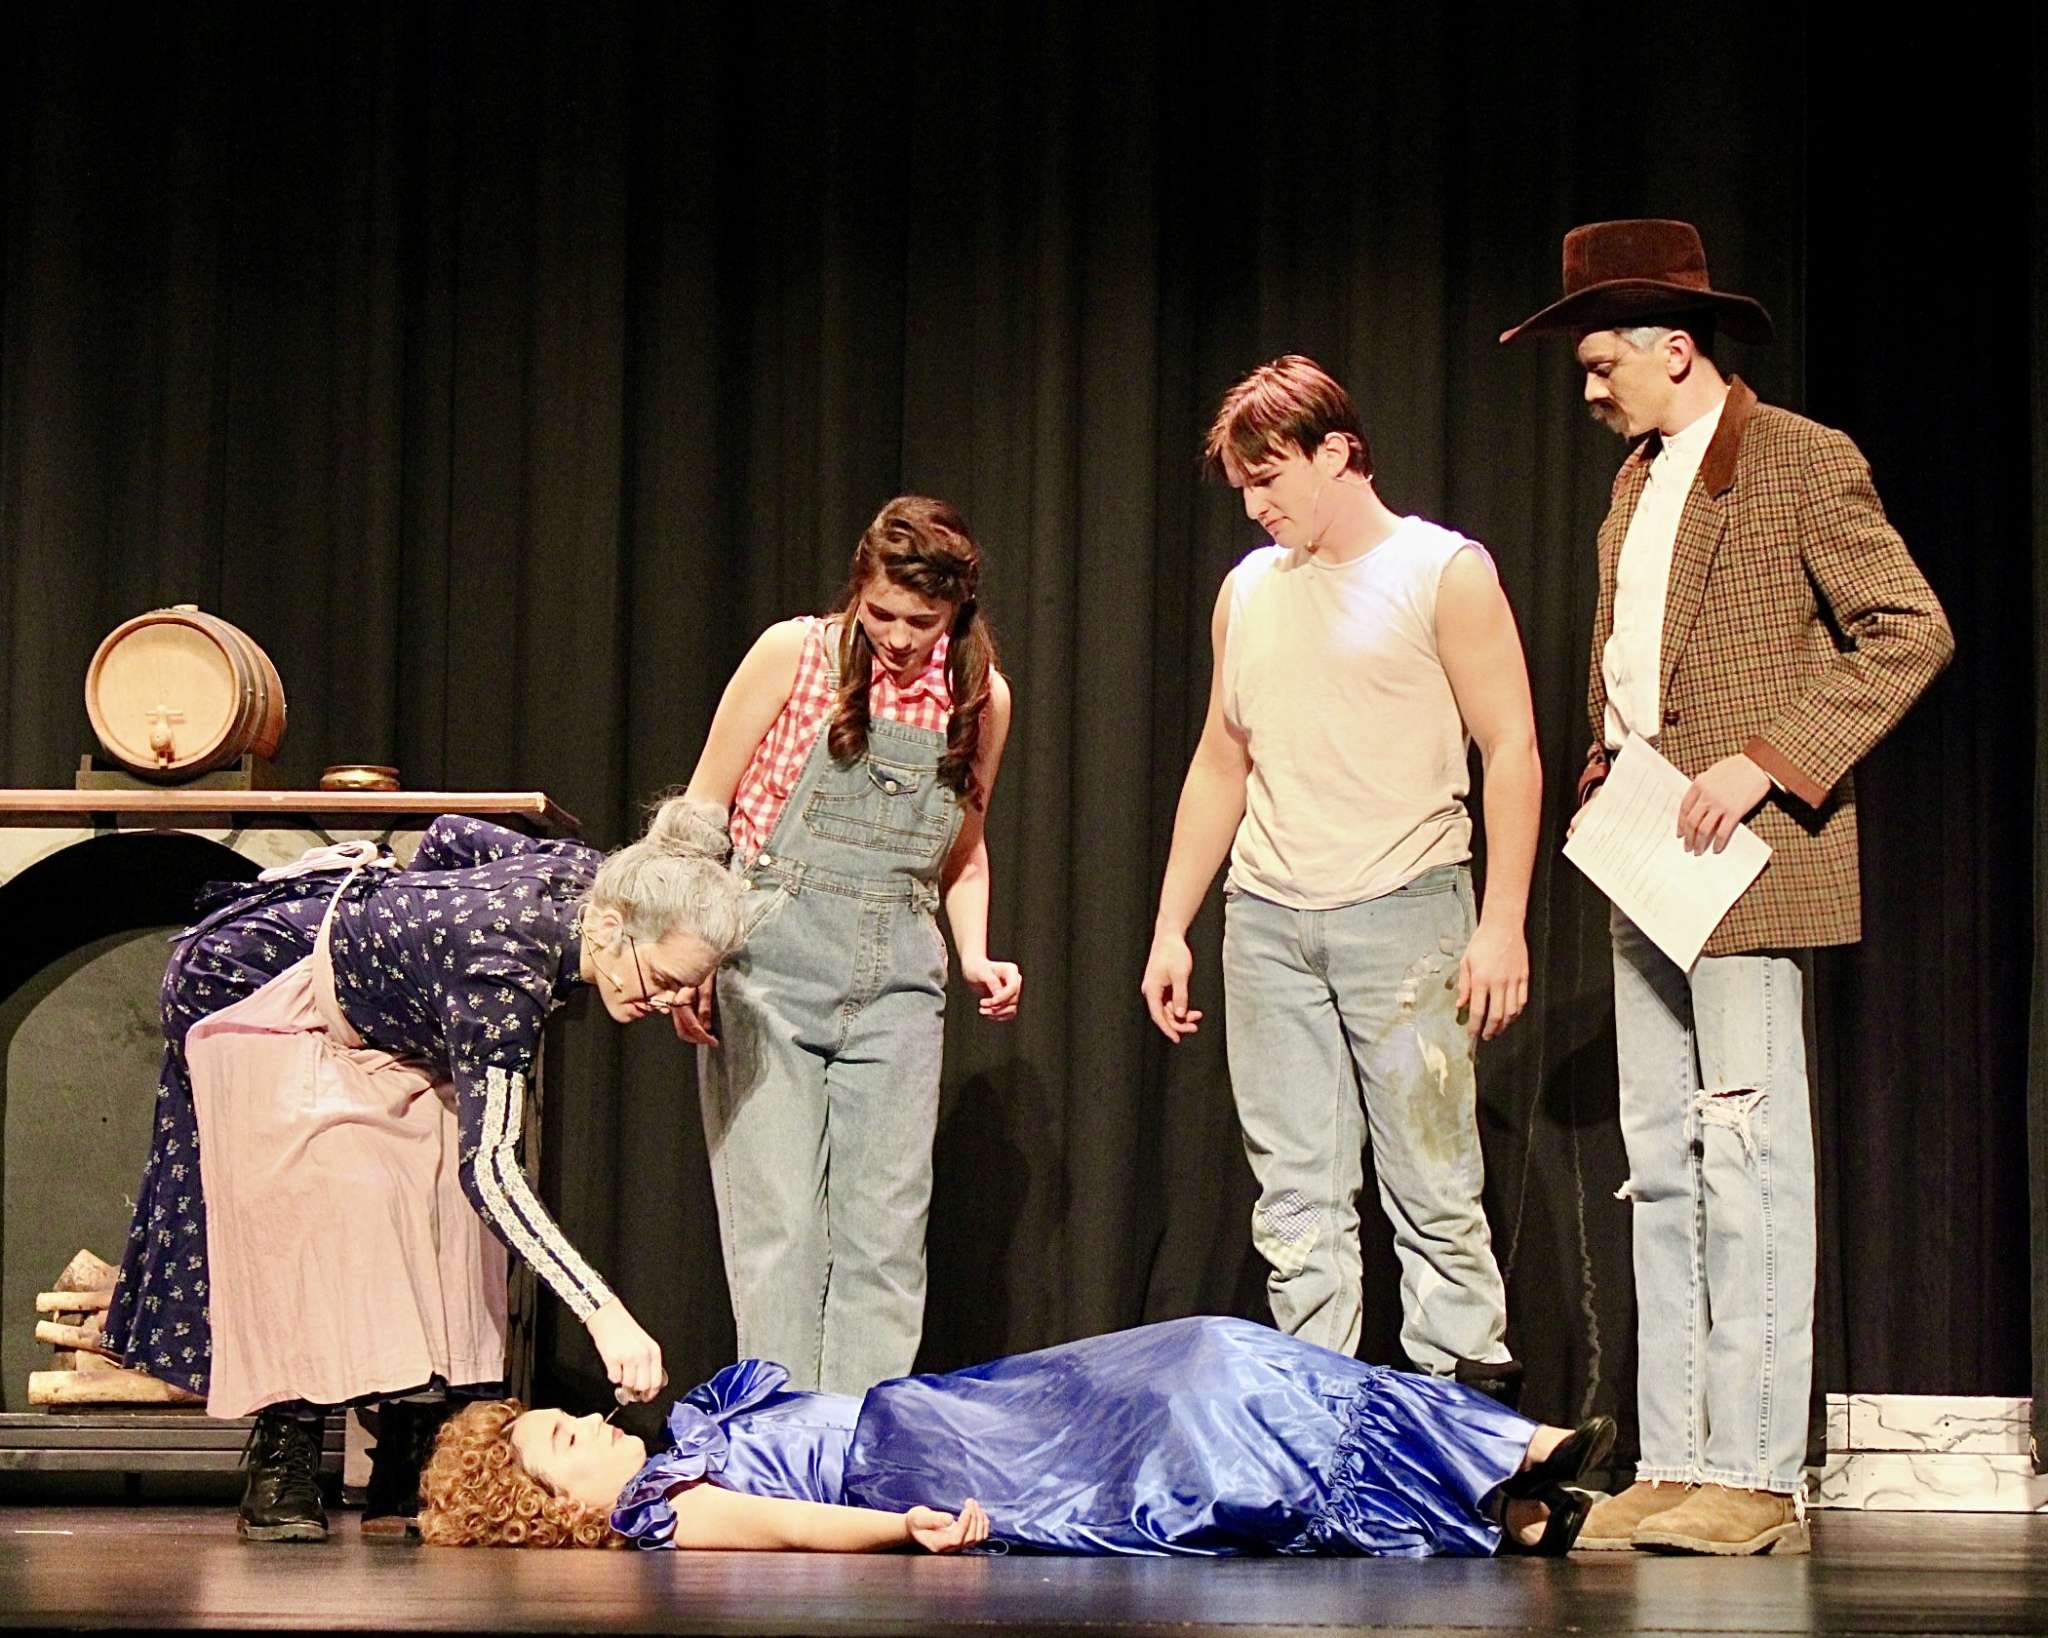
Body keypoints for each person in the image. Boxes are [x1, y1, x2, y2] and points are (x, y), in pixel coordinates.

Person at [1499, 219, 1953, 1555]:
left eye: (1598, 363)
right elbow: (1649, 657)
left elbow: (1907, 630)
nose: (1587, 390)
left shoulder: (1803, 461)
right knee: (1663, 1158)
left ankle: (1758, 1472)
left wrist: (1767, 761)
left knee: (1752, 1152)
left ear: (1673, 347)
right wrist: (1609, 751)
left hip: (1750, 861)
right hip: (1649, 850)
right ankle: (1680, 1449)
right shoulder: (1639, 481)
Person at [103, 804, 746, 1543]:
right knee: (321, 1194)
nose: (667, 1001)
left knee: (442, 1191)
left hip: (360, 1009)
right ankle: (285, 1455)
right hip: (252, 978)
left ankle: (408, 1448)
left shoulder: (597, 879)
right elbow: (496, 1172)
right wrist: (606, 1315)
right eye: (664, 979)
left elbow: (447, 835)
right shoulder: (501, 975)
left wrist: (407, 948)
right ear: (609, 928)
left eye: (684, 987)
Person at [1139, 356, 1540, 1404]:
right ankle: (1317, 1416)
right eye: (1241, 486)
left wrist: (1501, 924)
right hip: (1267, 921)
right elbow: (1222, 759)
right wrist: (1171, 923)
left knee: (1431, 1181)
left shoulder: (1440, 572)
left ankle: (1467, 1421)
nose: (1256, 503)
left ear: (1337, 453)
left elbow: (1510, 749)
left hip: (1404, 909)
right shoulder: (1247, 592)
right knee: (1295, 1198)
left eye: (1270, 477)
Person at [675, 495, 1020, 1395]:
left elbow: (965, 854)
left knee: (885, 1233)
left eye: (923, 620)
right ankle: (783, 1441)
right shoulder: (795, 654)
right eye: (882, 615)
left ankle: (856, 1446)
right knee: (780, 1224)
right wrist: (689, 949)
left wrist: (976, 953)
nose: (900, 638)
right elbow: (705, 812)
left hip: (901, 975)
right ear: (856, 592)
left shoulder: (982, 697)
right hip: (769, 960)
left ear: (957, 610)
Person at [418, 1316, 1615, 1556]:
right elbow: (784, 1523)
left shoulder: (685, 1436)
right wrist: (906, 1532)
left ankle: (1509, 1474)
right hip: (948, 1460)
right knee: (1204, 1398)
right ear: (560, 1513)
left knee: (1205, 1366)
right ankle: (1503, 1468)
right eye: (566, 1447)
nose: (590, 1428)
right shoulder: (664, 1506)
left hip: (962, 1412)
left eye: (567, 1419)